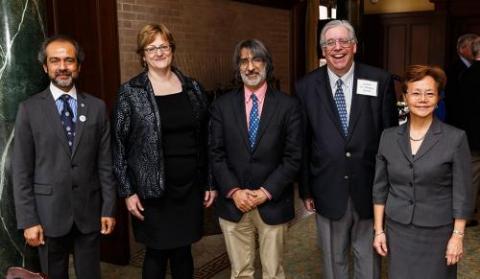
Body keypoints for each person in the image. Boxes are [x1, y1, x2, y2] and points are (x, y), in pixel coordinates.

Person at [112, 23, 216, 279]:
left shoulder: (193, 88)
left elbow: (207, 138)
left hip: (189, 186)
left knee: (183, 251)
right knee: (156, 252)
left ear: (172, 49)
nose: (158, 52)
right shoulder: (130, 93)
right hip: (152, 190)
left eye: (164, 46)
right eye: (151, 47)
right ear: (143, 54)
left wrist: (210, 182)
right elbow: (118, 145)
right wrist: (128, 191)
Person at [295, 20, 398, 279]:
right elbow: (303, 142)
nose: (337, 48)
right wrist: (306, 188)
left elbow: (390, 138)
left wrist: (390, 186)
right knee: (333, 258)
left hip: (370, 186)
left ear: (354, 46)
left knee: (368, 256)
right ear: (322, 50)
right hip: (327, 186)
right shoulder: (305, 87)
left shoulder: (380, 80)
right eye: (330, 43)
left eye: (343, 41)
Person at [12, 35, 117, 279]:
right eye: (55, 61)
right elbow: (21, 170)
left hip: (89, 212)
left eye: (69, 60)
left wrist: (109, 208)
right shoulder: (29, 109)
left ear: (78, 66)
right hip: (47, 215)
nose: (62, 67)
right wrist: (28, 220)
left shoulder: (97, 107)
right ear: (45, 67)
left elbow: (105, 164)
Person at [209, 39, 302, 279]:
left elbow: (293, 157)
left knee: (273, 273)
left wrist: (265, 191)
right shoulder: (221, 106)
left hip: (273, 201)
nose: (250, 67)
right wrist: (234, 191)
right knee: (240, 273)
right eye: (243, 61)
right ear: (238, 66)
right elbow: (215, 153)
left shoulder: (288, 106)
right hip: (234, 203)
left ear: (267, 64)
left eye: (256, 59)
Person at [372, 65, 475, 279]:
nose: (422, 99)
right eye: (416, 93)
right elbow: (380, 188)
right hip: (398, 230)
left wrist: (457, 236)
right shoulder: (388, 137)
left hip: (437, 232)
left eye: (430, 93)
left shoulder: (455, 138)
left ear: (438, 99)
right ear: (405, 97)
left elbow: (463, 193)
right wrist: (379, 230)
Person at [456, 38, 480, 225]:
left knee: (471, 176)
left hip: (470, 133)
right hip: (474, 134)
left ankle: (467, 214)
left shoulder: (467, 74)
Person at [445, 33, 478, 127]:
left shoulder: (475, 67)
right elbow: (453, 101)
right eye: (473, 46)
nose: (477, 50)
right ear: (462, 49)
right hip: (459, 123)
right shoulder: (452, 70)